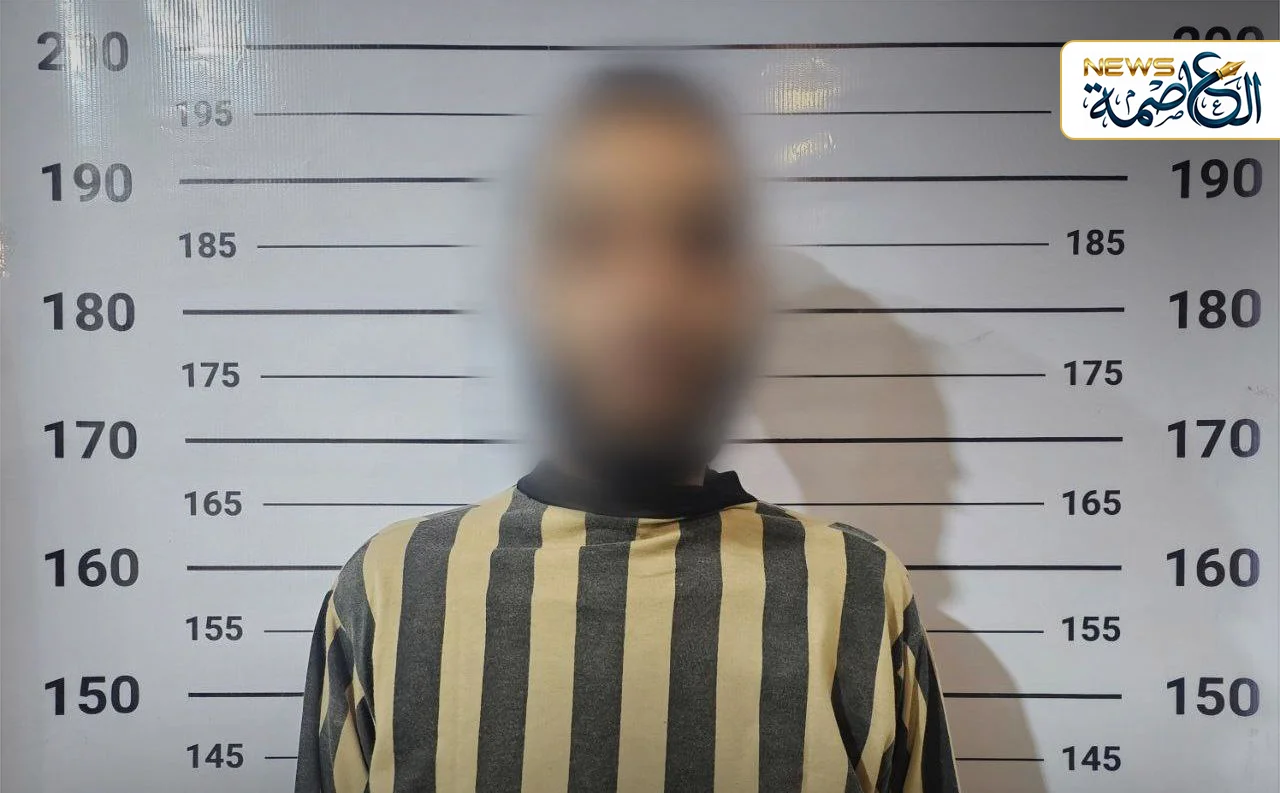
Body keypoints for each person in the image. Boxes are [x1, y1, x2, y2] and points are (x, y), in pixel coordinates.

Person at [295, 64, 960, 793]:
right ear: (525, 288)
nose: (648, 299)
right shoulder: (392, 587)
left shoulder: (856, 592)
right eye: (589, 238)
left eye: (700, 240)